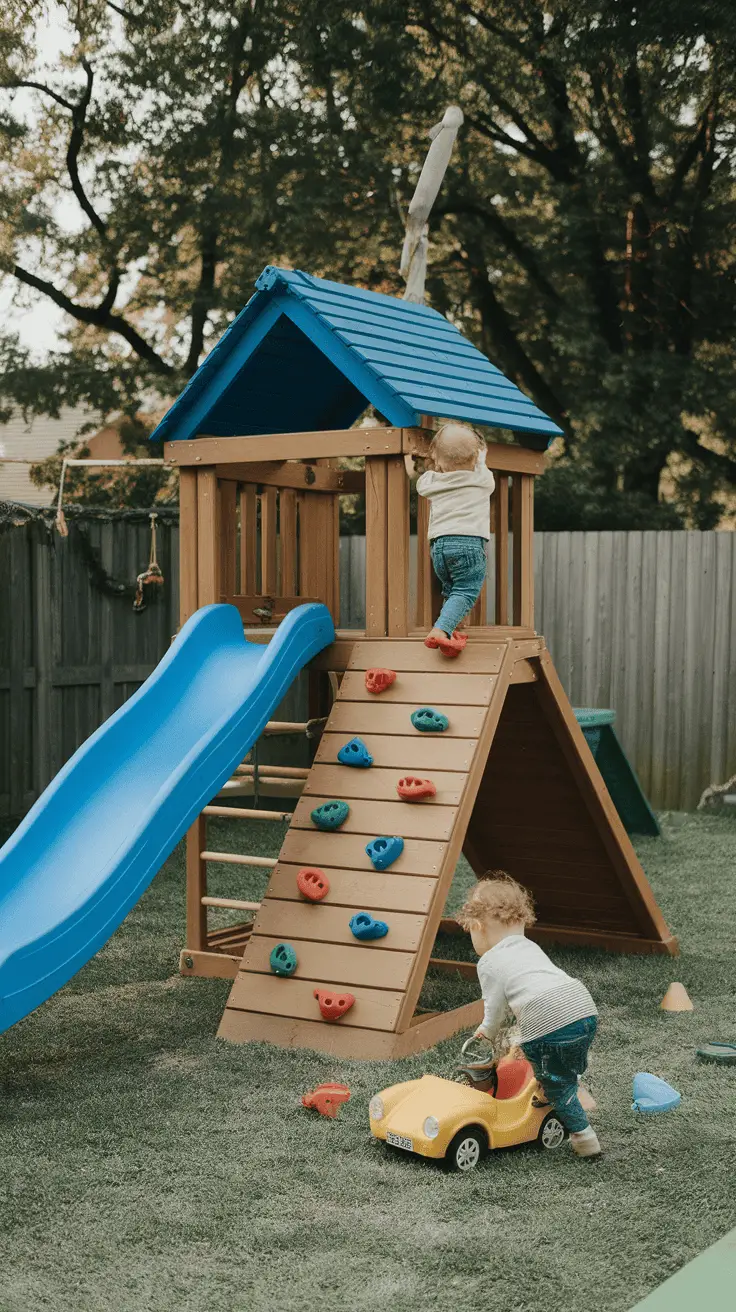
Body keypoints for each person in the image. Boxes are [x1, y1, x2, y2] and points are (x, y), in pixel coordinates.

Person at [455, 872, 602, 1159]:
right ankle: (567, 1076)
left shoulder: (489, 961)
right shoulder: (530, 947)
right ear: (521, 920)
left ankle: (585, 1140)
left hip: (547, 1022)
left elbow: (495, 1008)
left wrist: (486, 1031)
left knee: (556, 1082)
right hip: (583, 1008)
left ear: (478, 927)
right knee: (565, 1054)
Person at [406, 423, 494, 657]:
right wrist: (480, 454)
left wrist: (428, 464)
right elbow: (481, 462)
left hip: (439, 548)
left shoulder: (434, 481)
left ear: (438, 460)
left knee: (452, 588)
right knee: (466, 590)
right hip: (468, 545)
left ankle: (449, 629)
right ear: (476, 457)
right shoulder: (482, 480)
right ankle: (441, 629)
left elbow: (421, 484)